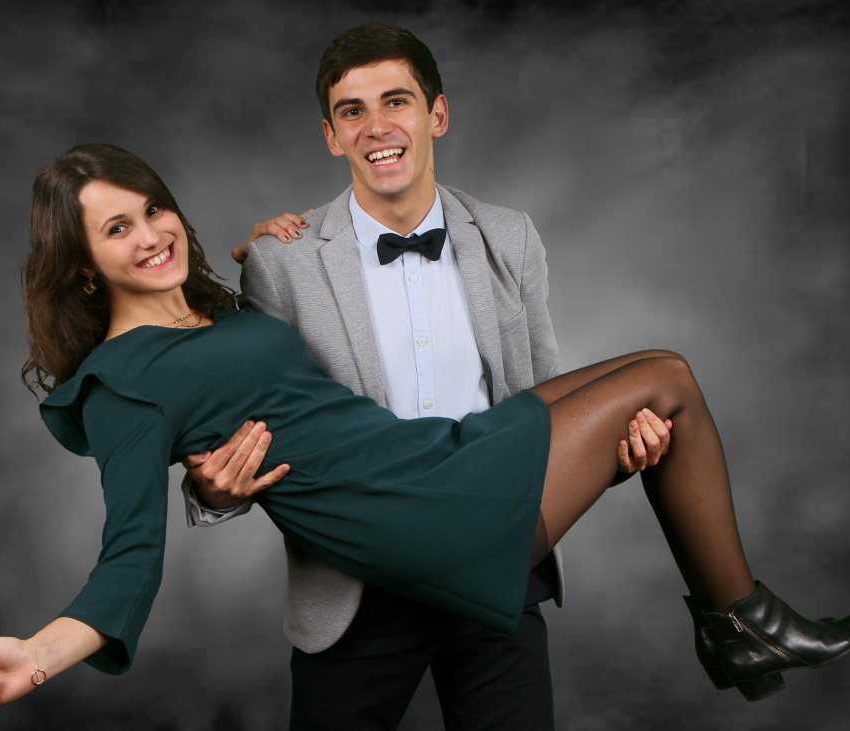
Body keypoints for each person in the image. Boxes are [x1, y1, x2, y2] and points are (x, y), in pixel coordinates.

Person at [0, 143, 850, 716]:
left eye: (152, 208)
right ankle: (739, 622)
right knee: (668, 381)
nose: (151, 234)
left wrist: (277, 249)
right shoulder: (119, 384)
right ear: (83, 268)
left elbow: (280, 383)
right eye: (116, 230)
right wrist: (39, 655)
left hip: (428, 459)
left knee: (659, 373)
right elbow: (129, 555)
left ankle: (736, 624)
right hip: (411, 517)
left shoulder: (219, 310)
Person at [178, 23, 672, 731]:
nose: (376, 127)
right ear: (331, 136)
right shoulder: (280, 263)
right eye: (353, 111)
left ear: (436, 114)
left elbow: (549, 400)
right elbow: (252, 422)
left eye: (396, 101)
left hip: (499, 558)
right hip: (356, 584)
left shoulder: (511, 237)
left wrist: (621, 453)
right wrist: (211, 491)